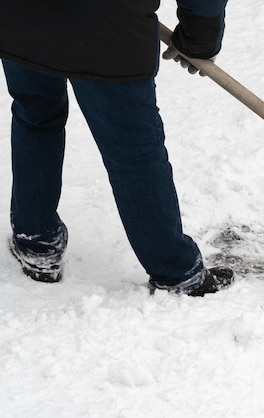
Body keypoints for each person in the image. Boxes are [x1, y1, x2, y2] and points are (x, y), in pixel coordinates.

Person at [0, 1, 233, 296]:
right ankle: (176, 274)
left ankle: (36, 242)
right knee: (134, 151)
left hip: (19, 17)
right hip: (108, 25)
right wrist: (200, 34)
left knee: (35, 117)